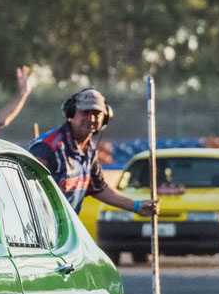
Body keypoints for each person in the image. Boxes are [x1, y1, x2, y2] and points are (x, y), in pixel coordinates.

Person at [29, 88, 159, 218]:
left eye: (97, 114)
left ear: (105, 118)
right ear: (71, 112)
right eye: (85, 112)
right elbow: (29, 192)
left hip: (65, 226)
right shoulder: (48, 147)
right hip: (41, 225)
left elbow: (99, 188)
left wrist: (136, 206)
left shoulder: (89, 149)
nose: (91, 118)